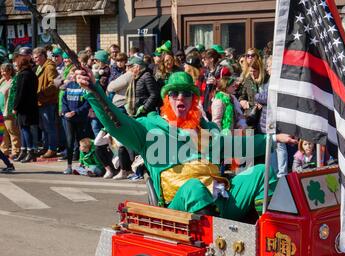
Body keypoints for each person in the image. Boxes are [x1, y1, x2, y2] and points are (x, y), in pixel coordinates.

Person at [77, 69, 298, 221]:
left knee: (261, 172)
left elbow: (237, 144)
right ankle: (211, 252)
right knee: (194, 187)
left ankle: (269, 236)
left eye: (186, 93)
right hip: (180, 208)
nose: (180, 97)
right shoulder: (150, 127)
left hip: (219, 197)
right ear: (167, 99)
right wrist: (94, 90)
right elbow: (117, 124)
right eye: (174, 93)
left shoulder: (205, 129)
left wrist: (274, 138)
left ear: (194, 100)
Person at [61, 67, 90, 175]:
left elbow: (87, 104)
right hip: (69, 118)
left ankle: (82, 164)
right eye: (75, 75)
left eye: (78, 76)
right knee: (69, 140)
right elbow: (64, 99)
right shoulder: (69, 85)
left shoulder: (85, 87)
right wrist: (65, 111)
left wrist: (75, 112)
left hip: (80, 118)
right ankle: (69, 166)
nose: (75, 77)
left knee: (82, 141)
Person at [13, 47, 39, 163]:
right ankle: (24, 151)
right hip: (30, 106)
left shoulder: (23, 75)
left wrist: (15, 106)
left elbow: (20, 93)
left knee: (25, 129)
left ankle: (30, 151)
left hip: (25, 107)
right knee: (23, 129)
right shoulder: (31, 74)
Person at [32, 47, 59, 159]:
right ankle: (45, 147)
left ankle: (52, 149)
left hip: (48, 102)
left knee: (50, 126)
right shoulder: (40, 67)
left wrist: (41, 94)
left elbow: (54, 84)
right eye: (34, 58)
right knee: (43, 127)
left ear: (43, 56)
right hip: (41, 102)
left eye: (37, 57)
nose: (35, 60)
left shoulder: (49, 67)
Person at [239, 59, 269, 128]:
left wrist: (263, 103)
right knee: (248, 137)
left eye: (254, 71)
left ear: (260, 70)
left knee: (260, 137)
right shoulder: (248, 80)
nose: (252, 73)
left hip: (263, 117)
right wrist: (242, 101)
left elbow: (270, 97)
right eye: (250, 71)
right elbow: (242, 95)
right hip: (250, 115)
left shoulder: (266, 80)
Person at [0, 63, 21, 159]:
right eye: (2, 71)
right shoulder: (2, 81)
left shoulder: (13, 81)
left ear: (10, 71)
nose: (3, 73)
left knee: (12, 132)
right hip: (1, 110)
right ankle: (4, 151)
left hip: (8, 111)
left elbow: (14, 96)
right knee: (3, 133)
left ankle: (15, 151)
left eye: (5, 71)